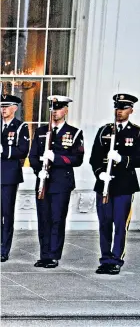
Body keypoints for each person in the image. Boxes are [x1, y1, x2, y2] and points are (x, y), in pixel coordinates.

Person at [89, 93, 140, 275]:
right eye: (117, 108)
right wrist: (100, 174)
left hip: (124, 185)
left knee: (120, 224)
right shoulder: (104, 130)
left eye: (123, 108)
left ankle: (116, 259)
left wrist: (123, 159)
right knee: (104, 223)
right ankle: (105, 258)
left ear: (131, 110)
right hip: (104, 185)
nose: (119, 111)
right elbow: (94, 158)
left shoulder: (137, 132)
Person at [29, 95, 84, 268]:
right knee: (43, 219)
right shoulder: (40, 131)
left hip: (61, 182)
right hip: (43, 181)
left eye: (59, 108)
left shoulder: (74, 133)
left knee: (57, 219)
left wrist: (56, 158)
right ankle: (44, 254)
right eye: (53, 108)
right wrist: (39, 170)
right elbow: (32, 156)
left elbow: (77, 159)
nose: (55, 112)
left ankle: (53, 255)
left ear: (66, 110)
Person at [1, 94, 30, 262]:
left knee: (6, 214)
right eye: (1, 106)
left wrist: (4, 152)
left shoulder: (20, 127)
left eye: (7, 106)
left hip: (9, 177)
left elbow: (23, 150)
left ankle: (4, 249)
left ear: (15, 108)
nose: (3, 109)